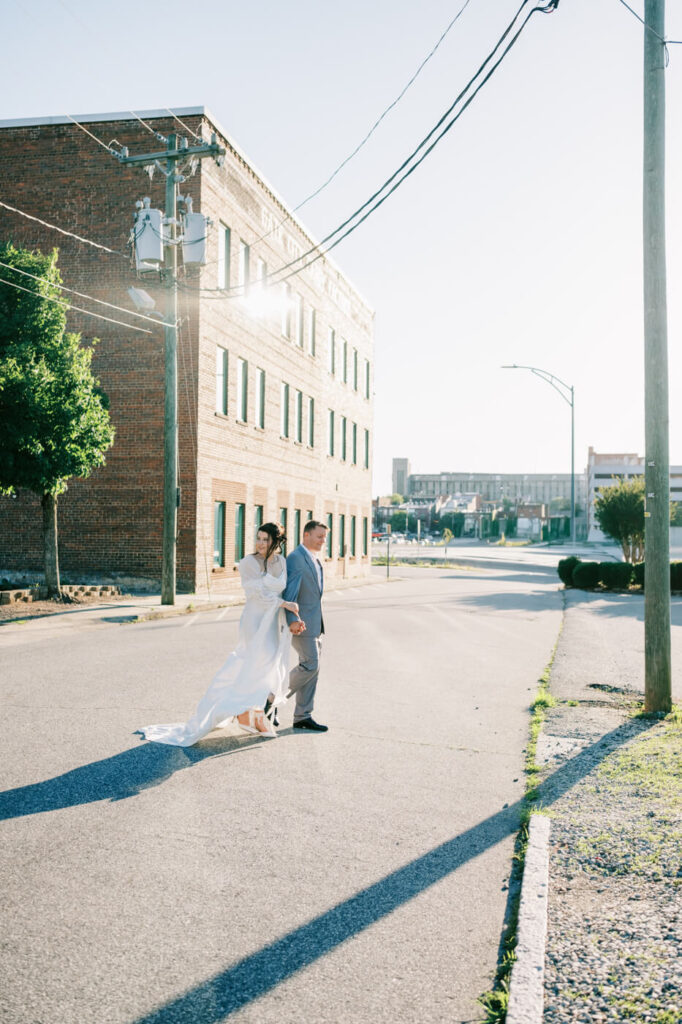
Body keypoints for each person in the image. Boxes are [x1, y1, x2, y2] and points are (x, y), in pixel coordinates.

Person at [139, 523, 299, 746]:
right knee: (252, 662)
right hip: (254, 621)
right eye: (259, 538)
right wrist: (286, 604)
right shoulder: (247, 563)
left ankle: (251, 710)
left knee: (270, 664)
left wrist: (291, 613)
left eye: (266, 539)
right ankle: (242, 709)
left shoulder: (281, 562)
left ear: (276, 541)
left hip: (272, 622)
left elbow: (281, 588)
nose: (261, 543)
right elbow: (258, 594)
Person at [279, 519, 329, 732]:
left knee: (312, 670)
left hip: (315, 624)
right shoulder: (296, 559)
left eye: (324, 537)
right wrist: (292, 621)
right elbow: (290, 593)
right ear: (306, 535)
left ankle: (302, 716)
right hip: (301, 624)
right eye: (319, 536)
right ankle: (271, 697)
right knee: (310, 665)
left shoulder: (314, 559)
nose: (322, 541)